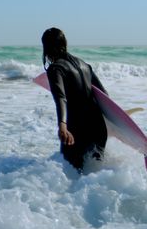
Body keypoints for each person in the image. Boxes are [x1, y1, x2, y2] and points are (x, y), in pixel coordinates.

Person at [42, 27, 107, 172]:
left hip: (78, 130)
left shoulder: (56, 69)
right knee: (96, 176)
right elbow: (104, 95)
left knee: (72, 177)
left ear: (46, 47)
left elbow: (61, 97)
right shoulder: (85, 65)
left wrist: (63, 126)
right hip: (98, 127)